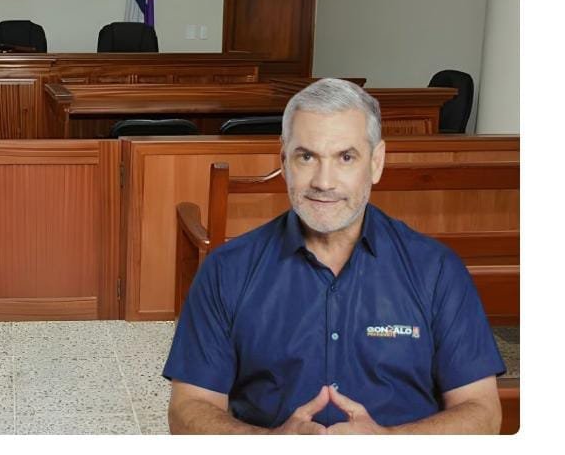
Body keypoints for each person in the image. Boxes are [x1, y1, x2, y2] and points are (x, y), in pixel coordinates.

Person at [164, 78, 504, 434]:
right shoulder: (226, 270)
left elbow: (483, 412)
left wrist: (390, 441)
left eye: (345, 157)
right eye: (307, 156)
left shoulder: (436, 269)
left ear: (376, 162)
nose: (324, 182)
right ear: (284, 161)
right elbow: (188, 409)